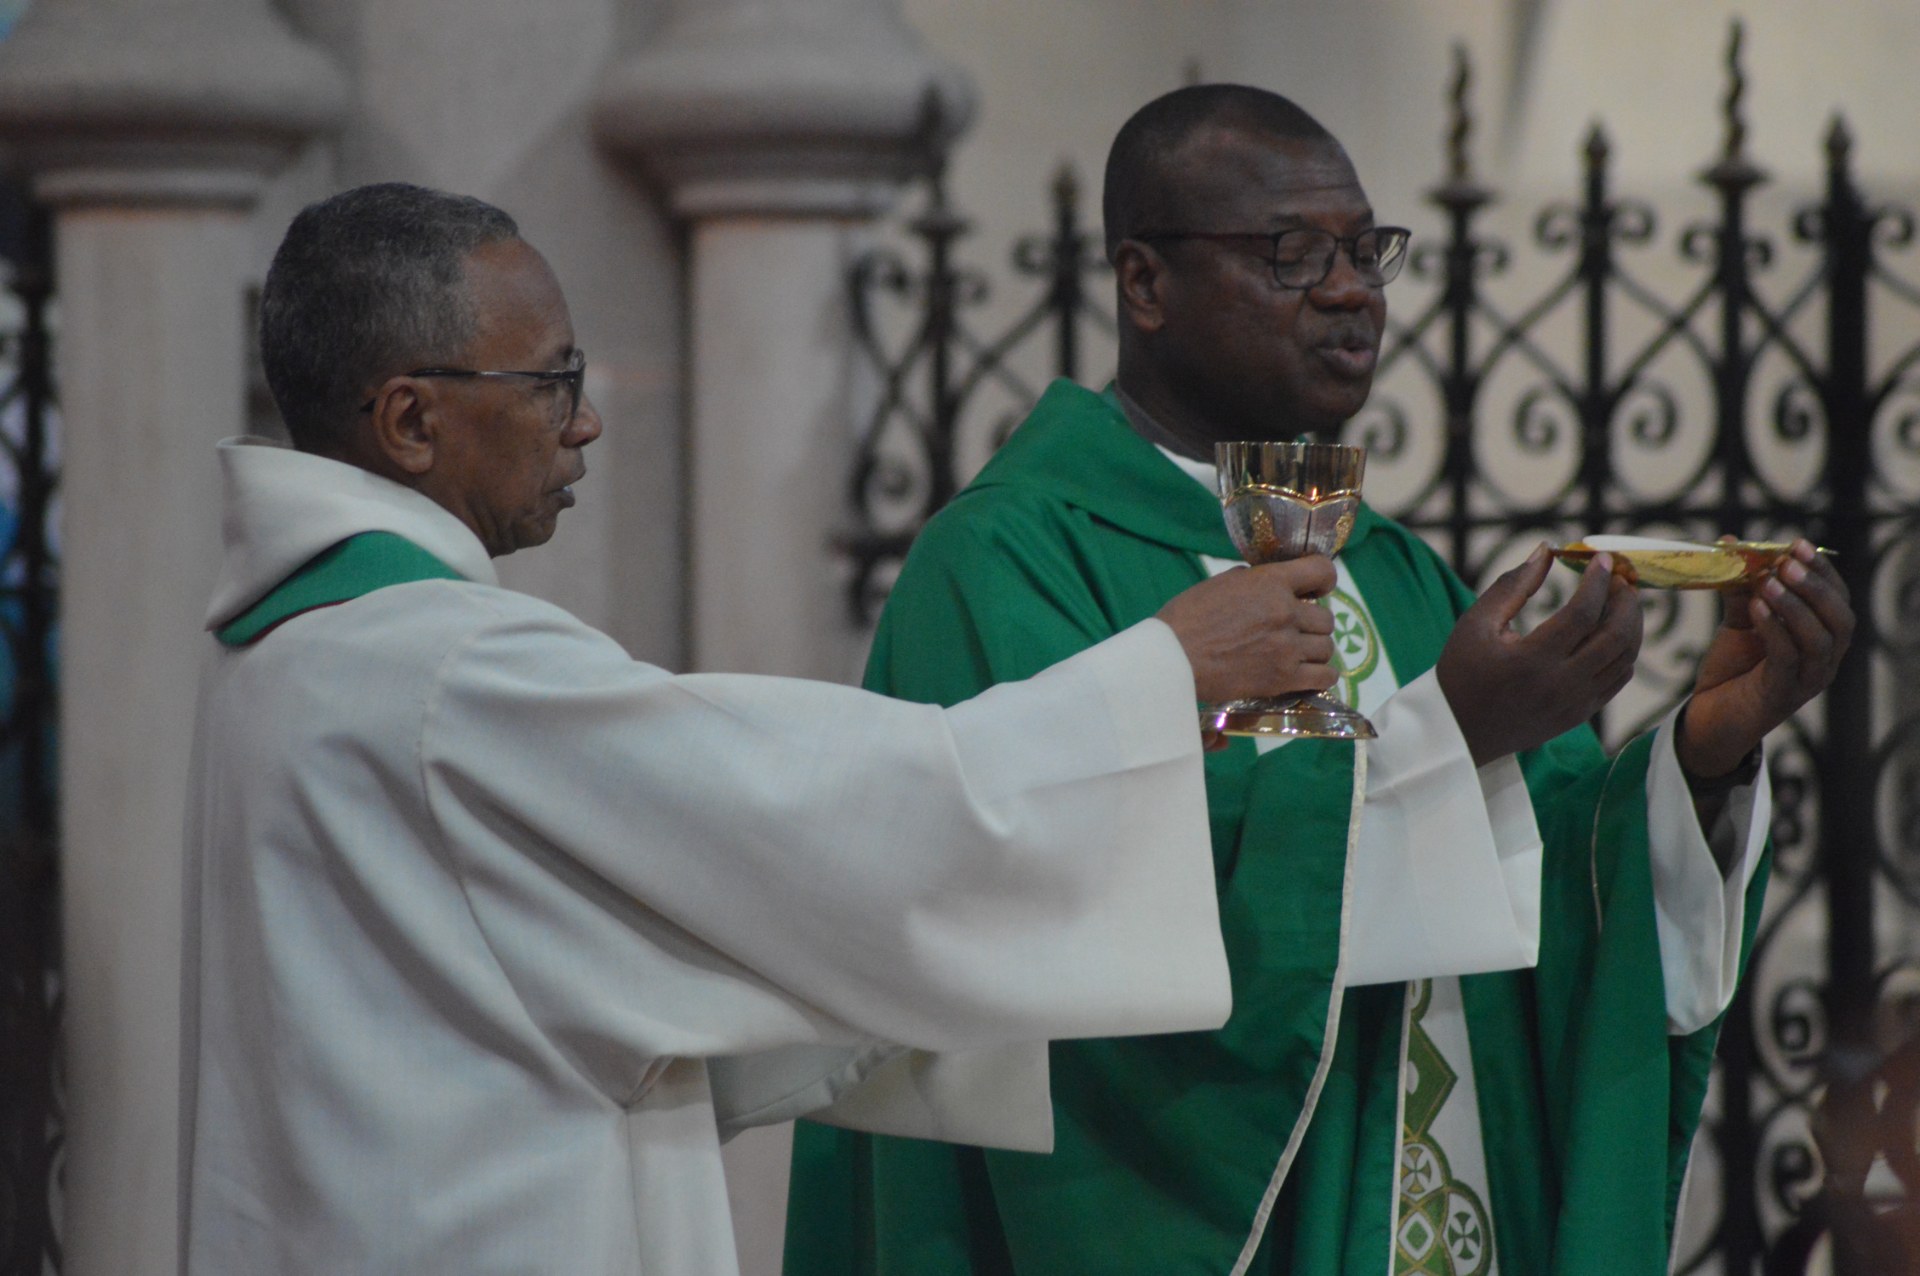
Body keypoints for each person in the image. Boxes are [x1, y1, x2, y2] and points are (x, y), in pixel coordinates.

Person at [177, 181, 1354, 1276]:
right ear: (411, 420)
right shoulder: (443, 675)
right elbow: (842, 820)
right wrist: (1165, 673)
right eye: (550, 381)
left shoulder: (287, 653)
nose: (583, 423)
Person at [784, 85, 1854, 1276]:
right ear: (1145, 283)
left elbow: (1559, 889)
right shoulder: (1006, 563)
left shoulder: (1391, 570)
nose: (1351, 290)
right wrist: (1448, 733)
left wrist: (1705, 756)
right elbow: (1039, 919)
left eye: (1364, 249)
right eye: (1291, 253)